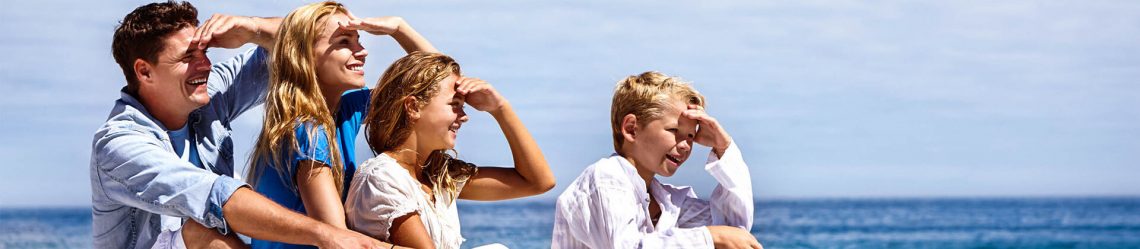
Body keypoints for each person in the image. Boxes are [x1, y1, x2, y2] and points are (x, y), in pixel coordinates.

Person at [91, 1, 387, 248]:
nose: (205, 65)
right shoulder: (119, 145)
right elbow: (214, 196)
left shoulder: (209, 94)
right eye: (188, 56)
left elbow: (303, 41)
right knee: (206, 232)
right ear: (144, 71)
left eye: (204, 52)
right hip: (195, 239)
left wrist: (252, 29)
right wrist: (327, 235)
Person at [244, 1, 436, 248]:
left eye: (359, 40)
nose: (362, 51)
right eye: (345, 42)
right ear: (305, 56)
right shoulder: (308, 131)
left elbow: (434, 83)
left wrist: (399, 28)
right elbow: (339, 240)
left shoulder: (344, 111)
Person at [344, 52, 556, 249]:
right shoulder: (381, 177)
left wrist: (500, 109)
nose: (464, 116)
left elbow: (537, 182)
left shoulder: (437, 177)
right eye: (455, 105)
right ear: (413, 107)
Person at [550, 71, 762, 249]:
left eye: (690, 136)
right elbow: (626, 246)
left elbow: (734, 230)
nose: (685, 145)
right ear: (631, 128)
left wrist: (724, 148)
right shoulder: (606, 177)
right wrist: (709, 237)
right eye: (674, 130)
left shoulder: (667, 201)